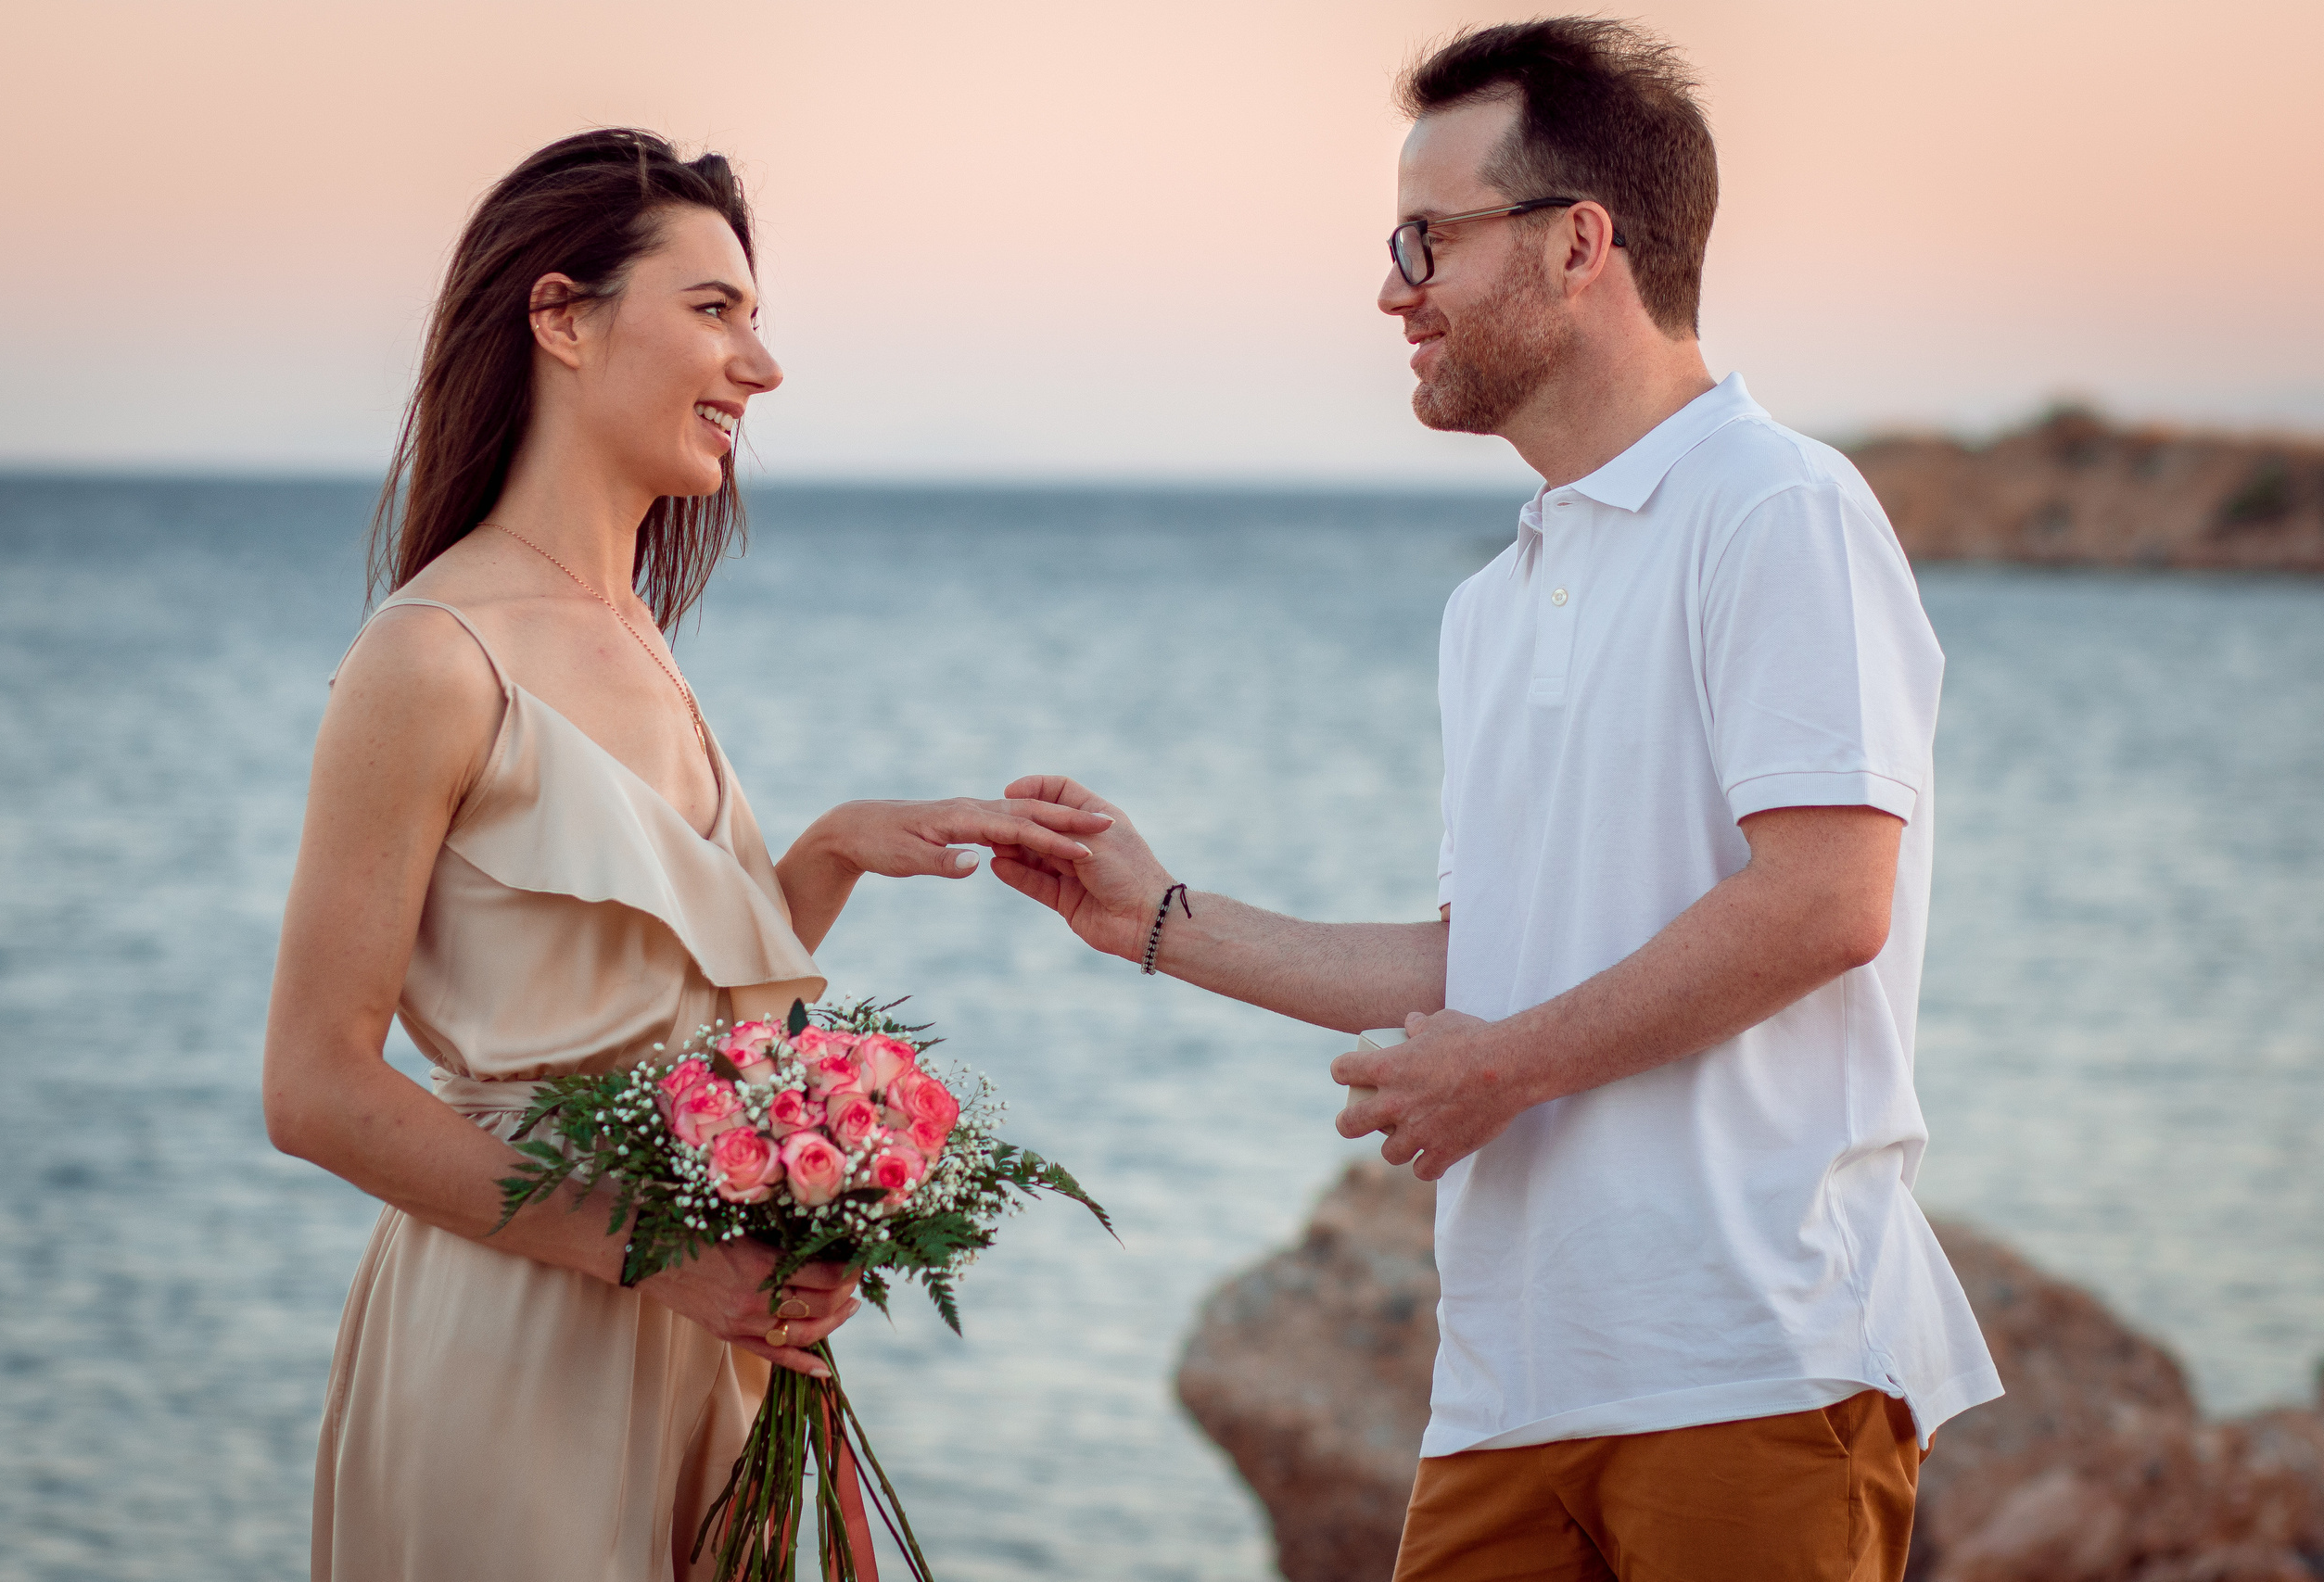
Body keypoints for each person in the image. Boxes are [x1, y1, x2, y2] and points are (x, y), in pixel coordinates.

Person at [994, 19, 1999, 1579]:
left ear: (1579, 241)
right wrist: (1158, 919)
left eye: (1428, 238)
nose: (1394, 289)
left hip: (1756, 1364)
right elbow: (1497, 954)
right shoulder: (1497, 600)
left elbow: (1826, 903)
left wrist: (1506, 1072)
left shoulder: (1779, 508)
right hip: (1508, 1389)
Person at [261, 129, 1109, 1582]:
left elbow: (666, 1023)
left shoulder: (640, 641)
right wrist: (665, 1257)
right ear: (562, 319)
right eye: (715, 311)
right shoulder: (430, 656)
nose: (760, 370)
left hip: (712, 1340)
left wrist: (834, 852)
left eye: (756, 320)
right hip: (519, 1339)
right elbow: (316, 1087)